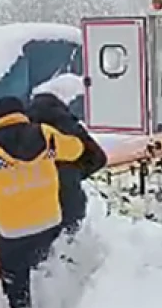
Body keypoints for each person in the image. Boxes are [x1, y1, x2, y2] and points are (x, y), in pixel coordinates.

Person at [0, 96, 85, 308]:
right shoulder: (45, 134)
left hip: (12, 231)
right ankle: (58, 307)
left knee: (14, 272)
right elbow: (76, 150)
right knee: (43, 258)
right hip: (50, 222)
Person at [25, 93, 107, 235]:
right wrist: (75, 171)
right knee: (69, 244)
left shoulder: (24, 131)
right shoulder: (70, 126)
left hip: (35, 205)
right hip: (70, 197)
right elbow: (99, 158)